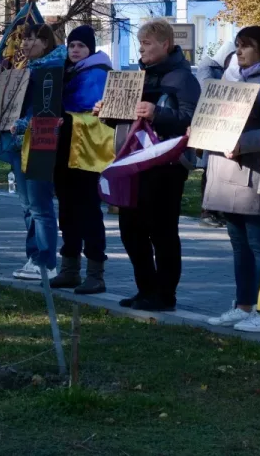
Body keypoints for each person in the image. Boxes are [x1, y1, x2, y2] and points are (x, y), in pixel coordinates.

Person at [200, 26, 260, 333]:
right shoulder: (231, 78)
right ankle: (243, 306)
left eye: (246, 46)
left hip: (256, 174)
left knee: (259, 246)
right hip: (228, 174)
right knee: (239, 245)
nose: (239, 52)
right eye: (237, 46)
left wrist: (245, 142)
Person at [105, 18, 201, 312]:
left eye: (147, 44)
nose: (141, 49)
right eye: (140, 43)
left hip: (167, 164)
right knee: (130, 228)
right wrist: (107, 112)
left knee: (162, 231)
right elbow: (127, 118)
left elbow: (192, 119)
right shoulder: (139, 76)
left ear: (165, 45)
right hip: (134, 162)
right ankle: (145, 289)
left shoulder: (183, 79)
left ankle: (165, 295)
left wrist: (157, 113)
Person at [48, 25, 112, 293]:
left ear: (91, 49)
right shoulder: (66, 70)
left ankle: (95, 273)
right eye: (72, 45)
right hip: (64, 149)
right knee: (67, 211)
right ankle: (69, 269)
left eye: (81, 46)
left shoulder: (97, 73)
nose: (75, 50)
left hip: (86, 152)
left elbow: (89, 106)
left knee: (88, 211)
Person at [8, 26, 65, 280]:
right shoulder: (26, 70)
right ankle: (33, 257)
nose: (24, 44)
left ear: (44, 42)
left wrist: (20, 123)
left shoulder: (51, 70)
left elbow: (44, 109)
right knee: (27, 206)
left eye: (29, 39)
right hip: (20, 144)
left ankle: (47, 261)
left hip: (41, 144)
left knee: (40, 207)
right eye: (22, 39)